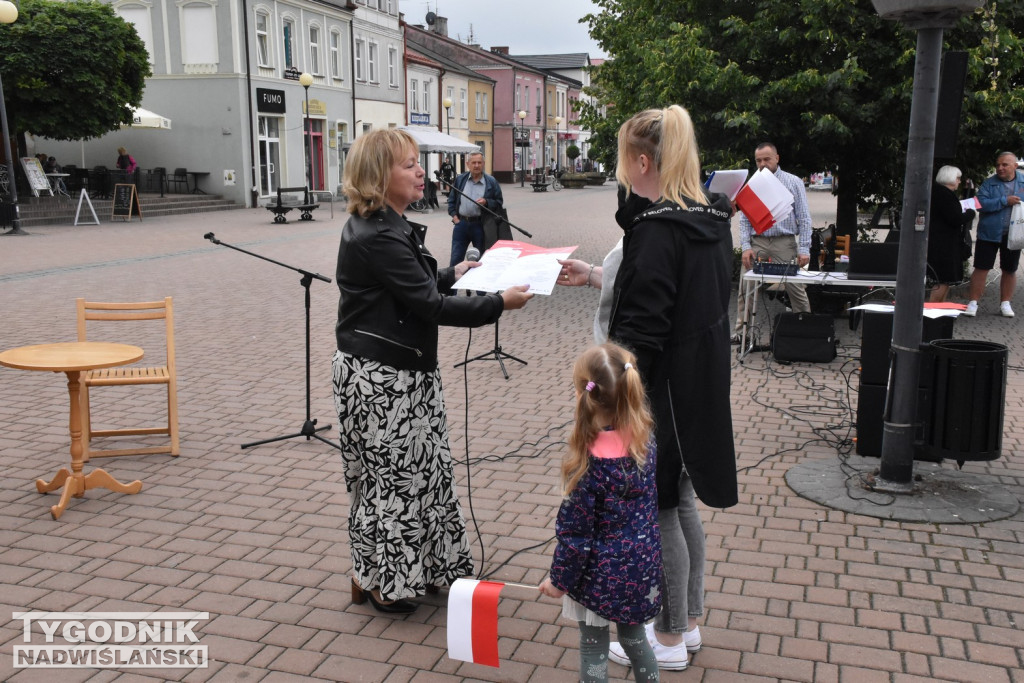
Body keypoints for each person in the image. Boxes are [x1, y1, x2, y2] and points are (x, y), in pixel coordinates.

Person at [557, 105, 739, 671]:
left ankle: (665, 637)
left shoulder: (659, 230)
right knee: (678, 504)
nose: (618, 174)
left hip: (656, 398)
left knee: (656, 509)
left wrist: (598, 392)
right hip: (693, 392)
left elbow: (640, 334)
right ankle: (685, 623)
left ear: (640, 162)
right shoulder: (703, 219)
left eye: (621, 162)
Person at [334, 129, 533, 614]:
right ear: (379, 177)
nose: (421, 171)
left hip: (404, 372)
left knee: (425, 475)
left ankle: (421, 569)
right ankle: (383, 581)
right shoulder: (377, 233)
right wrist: (498, 304)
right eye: (408, 165)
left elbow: (413, 286)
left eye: (417, 162)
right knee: (394, 481)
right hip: (383, 379)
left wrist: (453, 274)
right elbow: (427, 306)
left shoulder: (390, 224)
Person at [538, 342, 661, 683]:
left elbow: (575, 539)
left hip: (599, 578)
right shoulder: (645, 441)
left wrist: (558, 581)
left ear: (583, 393)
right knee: (635, 640)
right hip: (641, 566)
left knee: (593, 646)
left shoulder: (586, 465)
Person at [733, 142, 813, 342]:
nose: (762, 164)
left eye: (767, 159)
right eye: (758, 160)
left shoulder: (793, 182)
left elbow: (804, 217)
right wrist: (746, 247)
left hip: (784, 242)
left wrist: (804, 249)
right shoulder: (753, 183)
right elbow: (744, 220)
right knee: (746, 286)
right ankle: (743, 334)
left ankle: (807, 330)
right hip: (758, 242)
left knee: (796, 287)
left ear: (777, 158)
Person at [964, 151, 1024, 317]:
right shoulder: (989, 183)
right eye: (998, 164)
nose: (1000, 168)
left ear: (1015, 166)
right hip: (989, 232)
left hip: (1013, 234)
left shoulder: (1023, 183)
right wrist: (1005, 201)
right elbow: (980, 204)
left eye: (1004, 164)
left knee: (1009, 269)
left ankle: (1005, 303)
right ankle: (973, 302)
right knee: (981, 268)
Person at [927, 166, 975, 303]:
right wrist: (970, 214)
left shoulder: (940, 192)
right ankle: (933, 309)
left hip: (943, 241)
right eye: (958, 178)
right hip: (944, 244)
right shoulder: (944, 195)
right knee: (942, 279)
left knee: (944, 280)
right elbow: (955, 218)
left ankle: (938, 309)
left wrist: (968, 191)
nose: (959, 181)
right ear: (950, 178)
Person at [446, 151, 502, 267]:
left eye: (479, 162)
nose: (476, 165)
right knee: (456, 259)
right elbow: (451, 200)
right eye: (473, 163)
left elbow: (499, 202)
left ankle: (476, 284)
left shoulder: (491, 182)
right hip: (461, 225)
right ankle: (453, 284)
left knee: (480, 259)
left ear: (483, 164)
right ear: (468, 164)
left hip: (480, 225)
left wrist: (486, 202)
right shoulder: (460, 179)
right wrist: (455, 218)